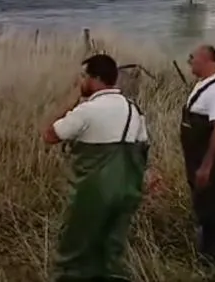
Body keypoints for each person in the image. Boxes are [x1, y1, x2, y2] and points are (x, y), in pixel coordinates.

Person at [40, 54, 149, 282]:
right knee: (111, 255)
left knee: (73, 254)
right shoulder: (133, 110)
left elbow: (49, 135)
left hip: (92, 195)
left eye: (83, 76)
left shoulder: (87, 111)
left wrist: (71, 100)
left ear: (95, 78)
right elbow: (142, 151)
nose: (81, 81)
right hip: (126, 192)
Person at [181, 44, 215, 259]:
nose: (189, 62)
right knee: (205, 206)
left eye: (192, 58)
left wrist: (207, 166)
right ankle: (210, 251)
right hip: (199, 159)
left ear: (207, 61)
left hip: (213, 163)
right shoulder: (205, 84)